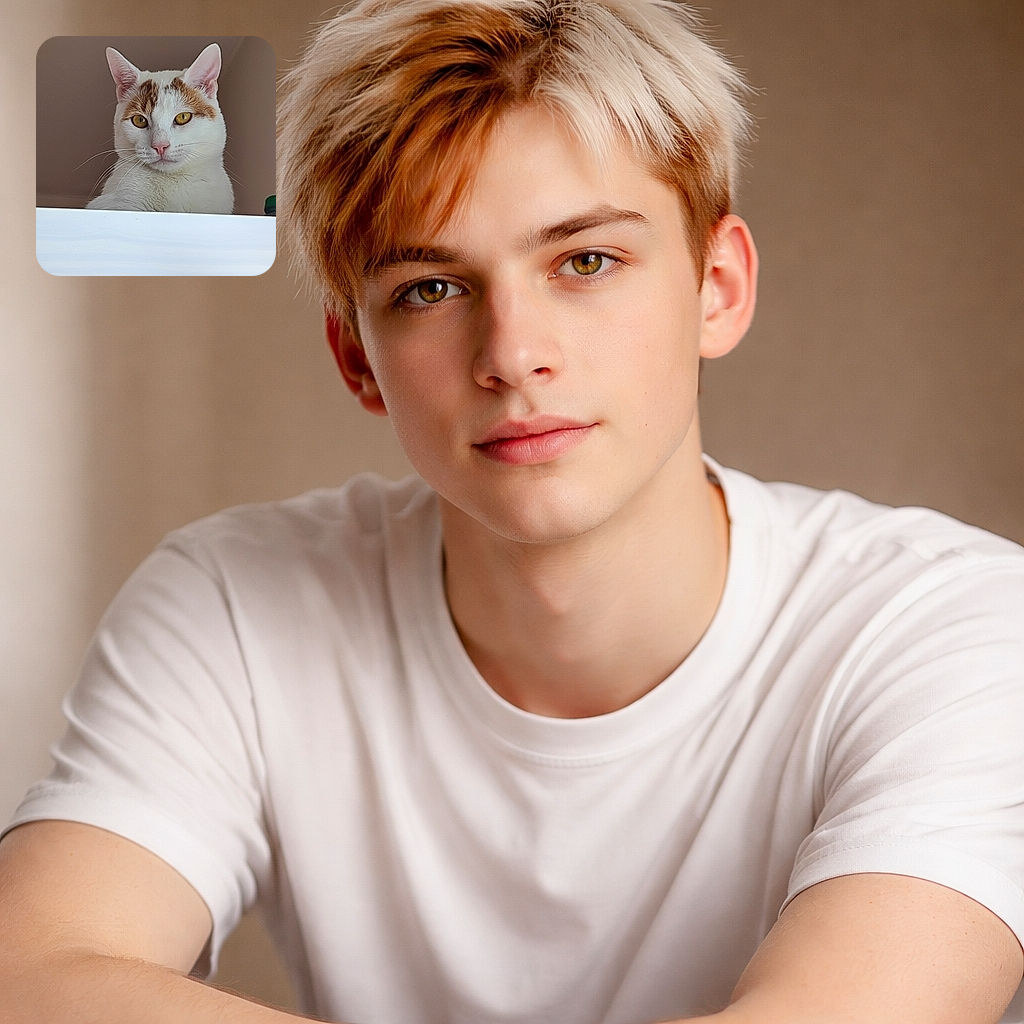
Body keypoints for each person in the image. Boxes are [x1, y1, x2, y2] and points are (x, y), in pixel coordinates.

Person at [2, 0, 1022, 1021]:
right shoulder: (231, 603)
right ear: (358, 357)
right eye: (432, 287)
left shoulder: (950, 624)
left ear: (716, 287)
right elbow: (30, 972)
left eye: (585, 261)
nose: (511, 354)